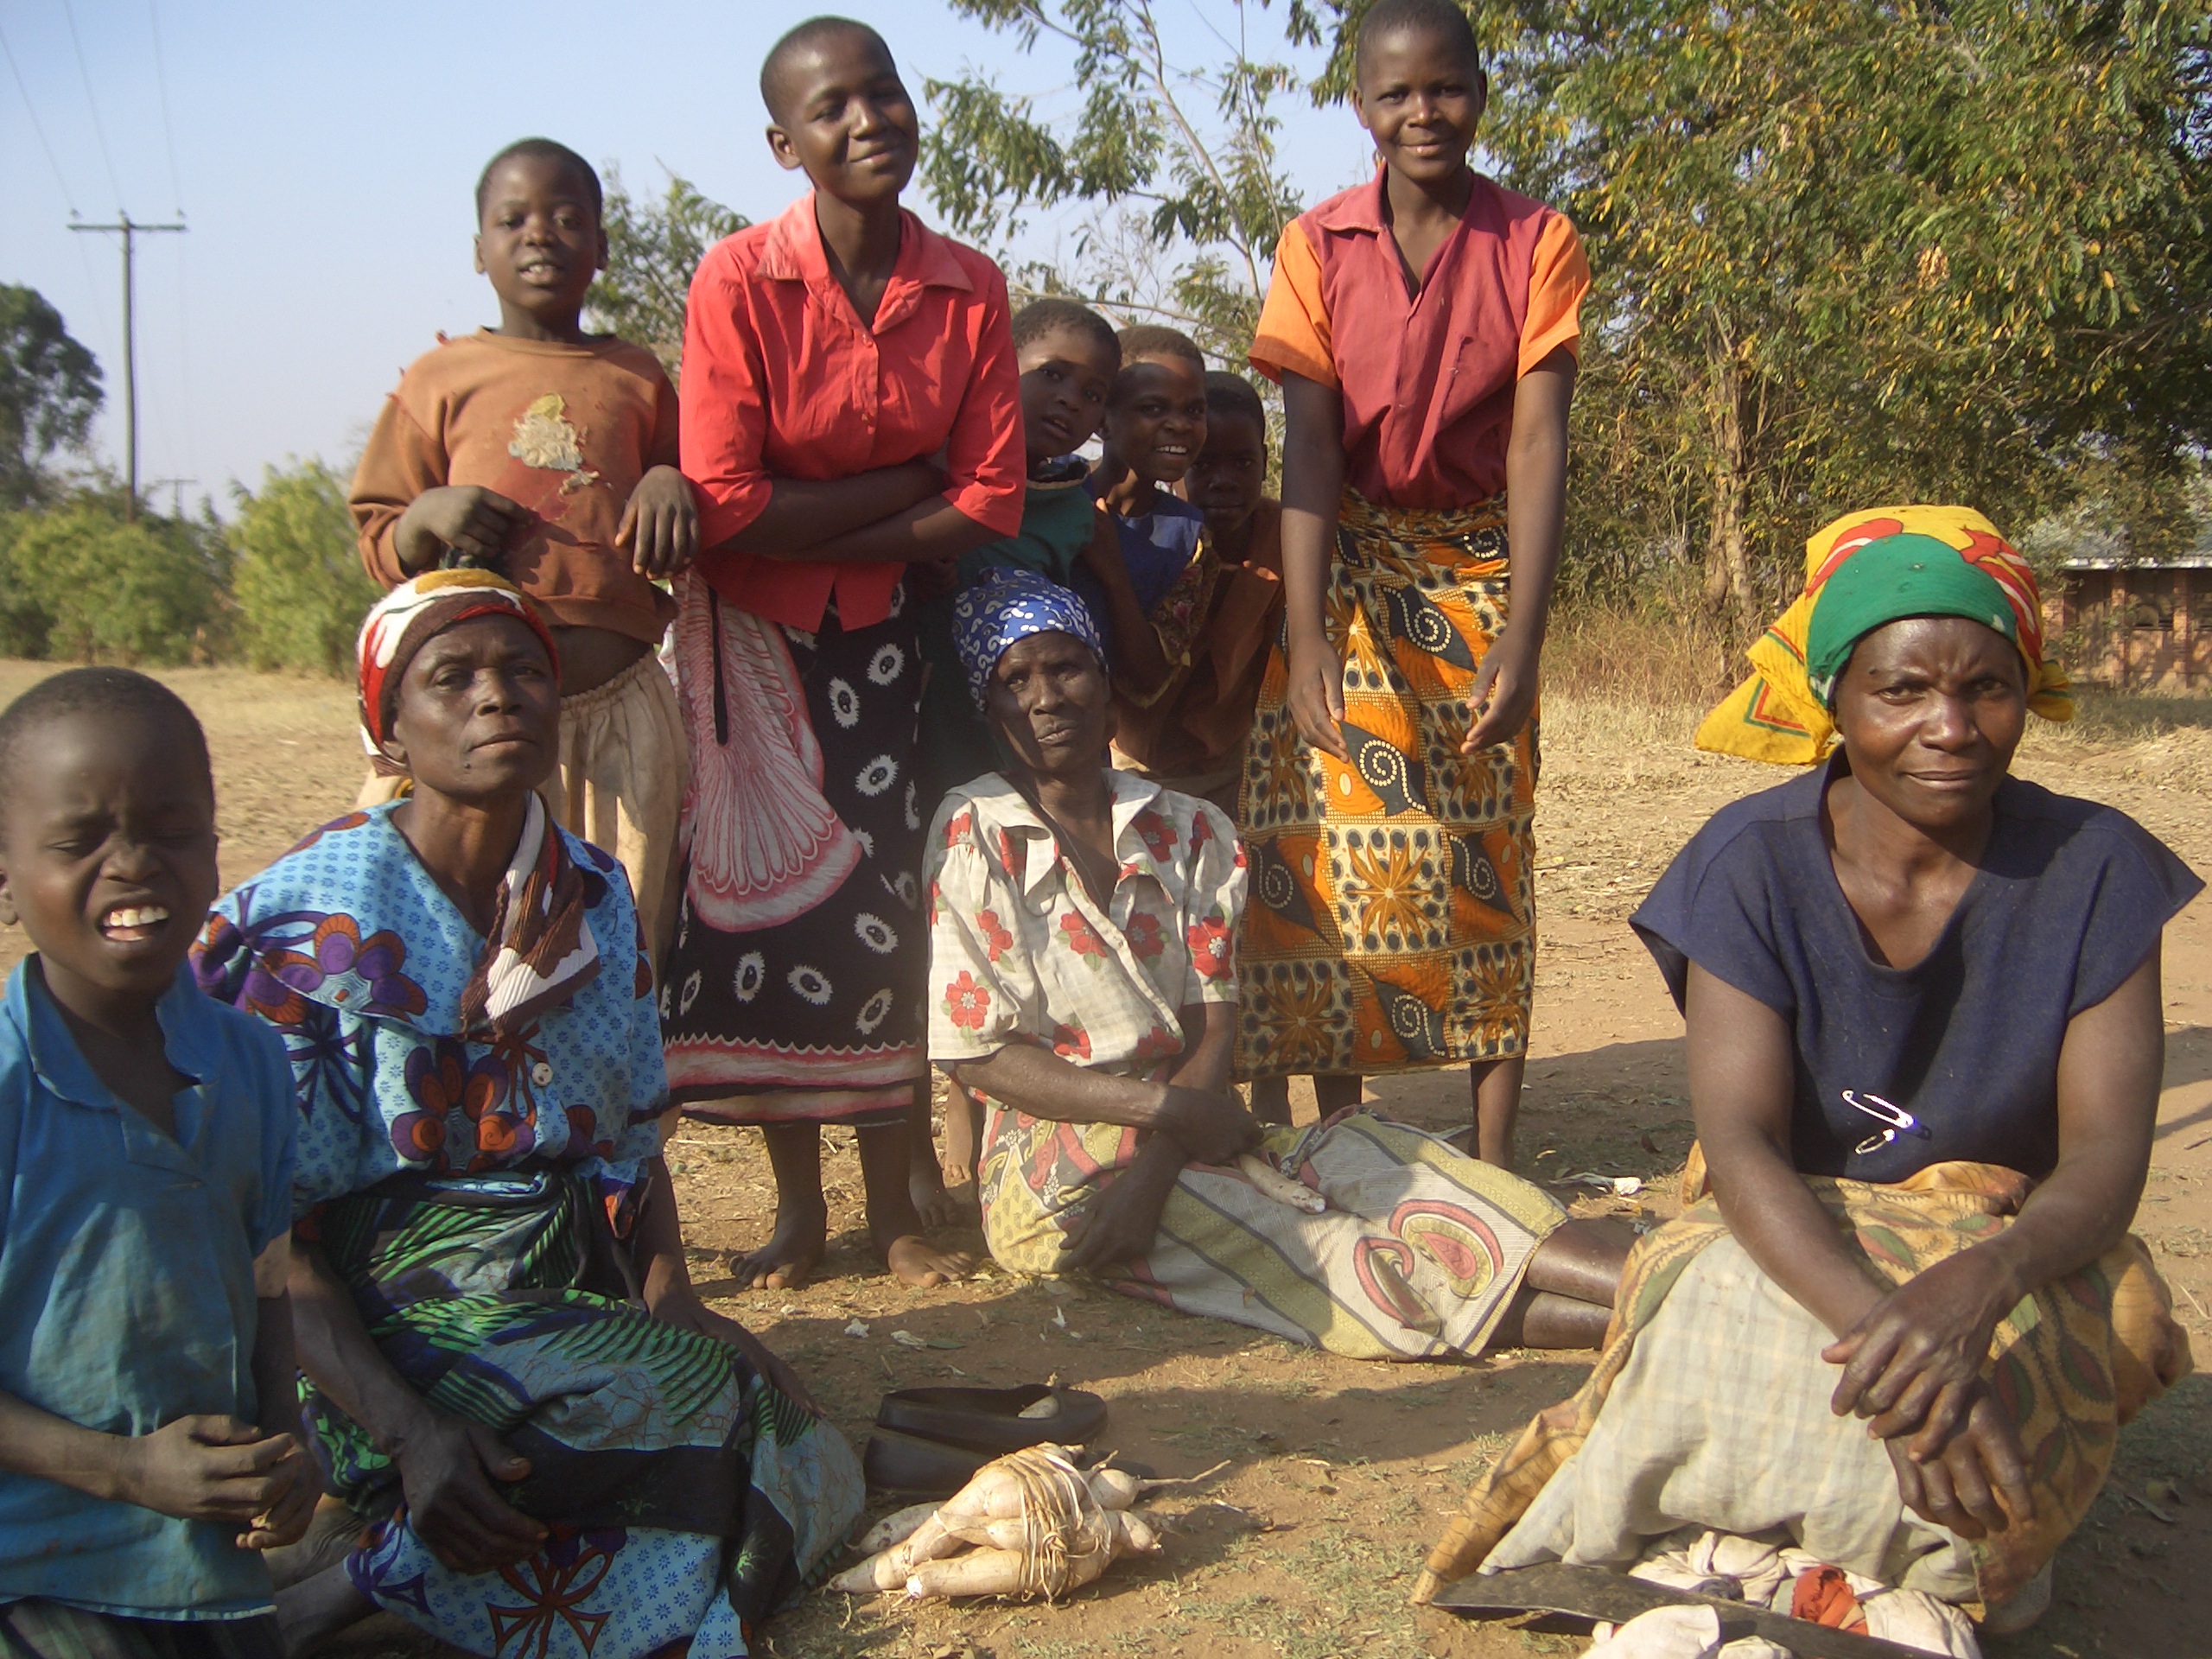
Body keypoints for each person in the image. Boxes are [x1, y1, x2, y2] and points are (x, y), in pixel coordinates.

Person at [1416, 508, 2198, 1637]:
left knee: (2046, 1352)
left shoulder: (2098, 869)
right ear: (1833, 699)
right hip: (1790, 1222)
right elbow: (1738, 1143)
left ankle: (1857, 1566)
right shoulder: (1748, 863)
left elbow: (2108, 1158)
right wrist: (1891, 1334)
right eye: (1903, 691)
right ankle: (1833, 1570)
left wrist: (1978, 1290)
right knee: (1713, 1309)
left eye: (1988, 689)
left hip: (2012, 1229)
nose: (1952, 727)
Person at [192, 571, 862, 1656]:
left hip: (559, 1297)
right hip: (368, 1328)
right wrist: (410, 1431)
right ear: (389, 730)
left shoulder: (589, 898)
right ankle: (357, 1583)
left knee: (792, 1431)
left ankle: (375, 1596)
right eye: (450, 679)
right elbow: (273, 1247)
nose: (495, 697)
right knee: (704, 1423)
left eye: (523, 672)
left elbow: (632, 1135)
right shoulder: (300, 931)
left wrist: (672, 1295)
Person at [923, 571, 1629, 1361]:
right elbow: (981, 1055)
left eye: (1066, 667)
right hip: (1057, 1170)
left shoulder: (1186, 828)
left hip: (1196, 1127)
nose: (1047, 697)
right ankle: (1656, 1322)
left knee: (1387, 1160)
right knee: (1321, 1248)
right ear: (990, 712)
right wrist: (1171, 1126)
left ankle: (1667, 1280)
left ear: (1106, 679)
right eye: (1015, 681)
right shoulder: (976, 831)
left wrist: (1169, 1143)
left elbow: (1210, 1023)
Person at [659, 16, 1024, 1292]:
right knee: (763, 918)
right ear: (785, 143)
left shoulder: (970, 285)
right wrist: (898, 486)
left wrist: (845, 502)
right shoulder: (736, 282)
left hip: (883, 641)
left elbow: (991, 499)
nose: (869, 121)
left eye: (886, 94)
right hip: (751, 639)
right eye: (834, 109)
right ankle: (799, 1217)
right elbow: (720, 500)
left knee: (877, 911)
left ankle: (897, 1213)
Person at [1241, 0, 1588, 1166]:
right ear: (1363, 109)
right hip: (1346, 568)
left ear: (1480, 94)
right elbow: (1314, 450)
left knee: (1487, 844)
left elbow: (1539, 446)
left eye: (1444, 88)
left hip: (1481, 569)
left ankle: (1494, 1157)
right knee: (1321, 843)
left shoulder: (1538, 243)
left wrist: (1522, 637)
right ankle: (1340, 1136)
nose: (1422, 112)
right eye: (1396, 94)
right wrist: (1308, 634)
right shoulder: (1316, 247)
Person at [0, 669, 315, 1656]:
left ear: (216, 849)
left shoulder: (251, 1061)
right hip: (39, 1566)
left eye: (169, 829)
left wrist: (289, 1439)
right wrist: (128, 1471)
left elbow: (267, 1280)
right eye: (79, 839)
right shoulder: (8, 1085)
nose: (132, 863)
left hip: (210, 1566)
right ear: (5, 871)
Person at [349, 137, 696, 966]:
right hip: (482, 712)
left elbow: (692, 487)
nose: (541, 235)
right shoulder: (440, 377)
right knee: (463, 927)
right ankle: (461, 1090)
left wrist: (669, 481)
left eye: (569, 219)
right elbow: (377, 531)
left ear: (603, 248)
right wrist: (425, 514)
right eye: (514, 221)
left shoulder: (638, 377)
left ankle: (611, 1095)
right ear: (479, 250)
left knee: (624, 926)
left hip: (621, 709)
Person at [912, 296, 1124, 1209]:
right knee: (939, 896)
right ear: (997, 367)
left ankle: (1009, 1084)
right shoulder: (944, 469)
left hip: (1020, 715)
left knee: (1012, 900)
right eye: (1052, 375)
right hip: (934, 708)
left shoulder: (1074, 507)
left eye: (1094, 391)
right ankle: (949, 1100)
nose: (1072, 400)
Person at [1109, 370, 1285, 819]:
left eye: (1243, 464)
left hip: (1239, 767)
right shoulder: (1146, 536)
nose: (1224, 481)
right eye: (1203, 465)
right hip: (1130, 765)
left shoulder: (1282, 541)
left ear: (1265, 460)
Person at [1076, 326, 1213, 707]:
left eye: (1194, 410)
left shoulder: (1189, 540)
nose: (1180, 424)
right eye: (1152, 409)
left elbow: (1147, 680)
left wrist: (1113, 572)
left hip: (1087, 733)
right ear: (1103, 420)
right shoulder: (1052, 492)